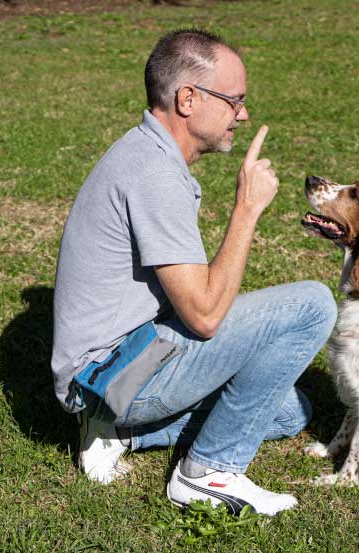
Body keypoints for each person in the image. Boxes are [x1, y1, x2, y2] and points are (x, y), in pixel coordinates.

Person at [50, 29, 337, 516]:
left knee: (292, 411)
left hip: (121, 362)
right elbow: (203, 315)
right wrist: (246, 209)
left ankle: (122, 434)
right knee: (312, 305)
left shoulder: (147, 152)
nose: (242, 115)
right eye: (234, 101)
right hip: (109, 378)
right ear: (188, 98)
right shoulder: (155, 175)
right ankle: (207, 473)